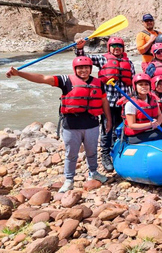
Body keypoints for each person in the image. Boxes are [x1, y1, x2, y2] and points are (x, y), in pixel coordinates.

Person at [6, 57, 110, 193]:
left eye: (86, 67)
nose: (83, 70)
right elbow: (42, 78)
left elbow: (104, 102)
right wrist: (19, 73)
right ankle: (69, 179)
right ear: (75, 69)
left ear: (91, 68)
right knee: (71, 154)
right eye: (80, 68)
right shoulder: (65, 80)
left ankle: (94, 172)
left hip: (92, 124)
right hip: (71, 125)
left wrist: (109, 119)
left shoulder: (98, 83)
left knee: (92, 152)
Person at [75, 36, 135, 172]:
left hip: (124, 102)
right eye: (114, 46)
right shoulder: (103, 59)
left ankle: (118, 151)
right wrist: (79, 48)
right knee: (107, 128)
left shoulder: (129, 62)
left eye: (119, 46)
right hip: (107, 102)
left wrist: (134, 98)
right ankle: (105, 154)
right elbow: (84, 60)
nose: (117, 48)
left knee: (120, 129)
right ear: (109, 48)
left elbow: (132, 82)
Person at [118, 73, 162, 144]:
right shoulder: (130, 103)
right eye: (141, 85)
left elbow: (160, 115)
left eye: (146, 84)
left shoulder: (153, 99)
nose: (144, 87)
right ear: (135, 87)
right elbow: (131, 125)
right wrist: (150, 124)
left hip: (150, 130)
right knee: (159, 135)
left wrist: (158, 123)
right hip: (136, 134)